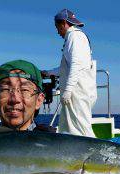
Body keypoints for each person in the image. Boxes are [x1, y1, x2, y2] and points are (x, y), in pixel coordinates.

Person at [42, 9, 97, 137]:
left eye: (57, 27)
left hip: (77, 91)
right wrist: (48, 73)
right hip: (76, 91)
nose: (57, 32)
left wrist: (68, 91)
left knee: (82, 128)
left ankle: (94, 155)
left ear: (63, 24)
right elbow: (65, 68)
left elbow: (76, 65)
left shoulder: (75, 37)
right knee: (70, 127)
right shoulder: (72, 38)